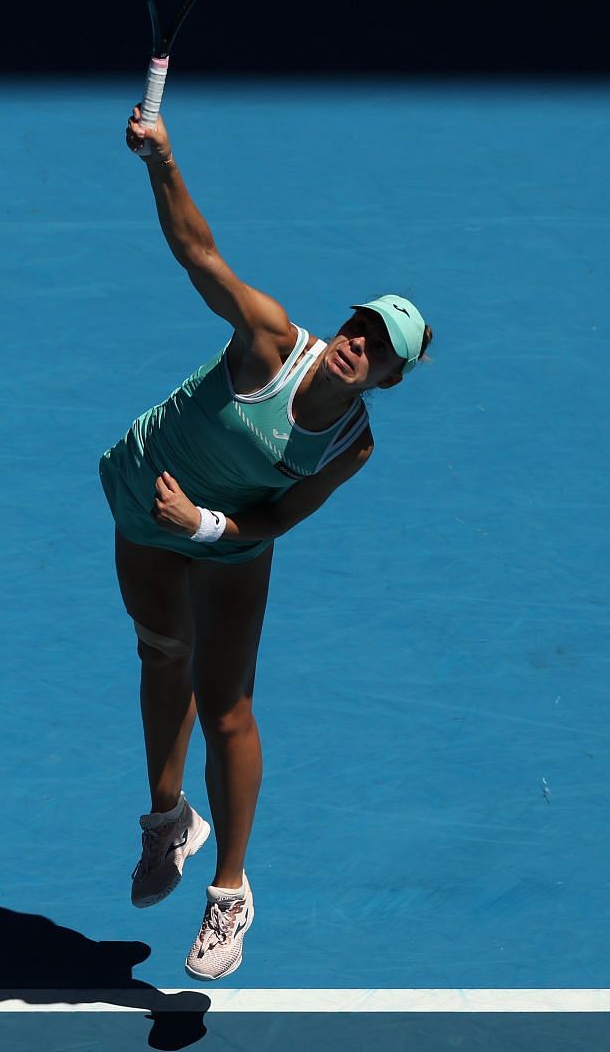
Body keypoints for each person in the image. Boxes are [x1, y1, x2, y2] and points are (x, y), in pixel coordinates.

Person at [100, 105, 432, 980]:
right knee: (160, 654)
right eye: (360, 327)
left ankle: (231, 893)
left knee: (227, 706)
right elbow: (198, 254)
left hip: (227, 535)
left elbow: (279, 518)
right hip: (143, 493)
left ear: (391, 380)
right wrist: (160, 161)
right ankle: (168, 818)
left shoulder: (350, 443)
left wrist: (207, 525)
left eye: (379, 350)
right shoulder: (270, 337)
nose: (358, 344)